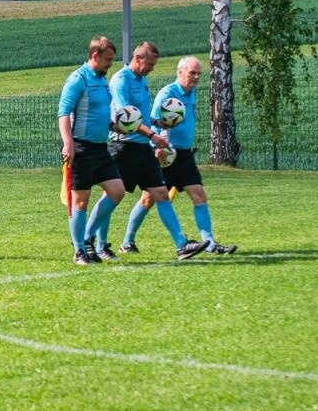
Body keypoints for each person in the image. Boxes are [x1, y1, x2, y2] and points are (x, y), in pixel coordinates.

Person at [95, 41, 207, 261]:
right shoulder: (120, 81)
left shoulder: (142, 79)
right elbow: (126, 117)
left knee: (161, 194)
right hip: (123, 146)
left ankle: (182, 245)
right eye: (150, 64)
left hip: (142, 148)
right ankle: (98, 246)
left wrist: (159, 123)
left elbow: (143, 116)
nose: (152, 69)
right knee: (110, 195)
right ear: (138, 59)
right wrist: (153, 136)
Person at [125, 55, 237, 255]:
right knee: (148, 200)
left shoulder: (191, 93)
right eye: (192, 73)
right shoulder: (168, 93)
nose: (196, 77)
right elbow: (152, 122)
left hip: (184, 155)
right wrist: (158, 148)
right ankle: (127, 242)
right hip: (165, 156)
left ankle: (209, 243)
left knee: (199, 194)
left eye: (198, 74)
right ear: (180, 72)